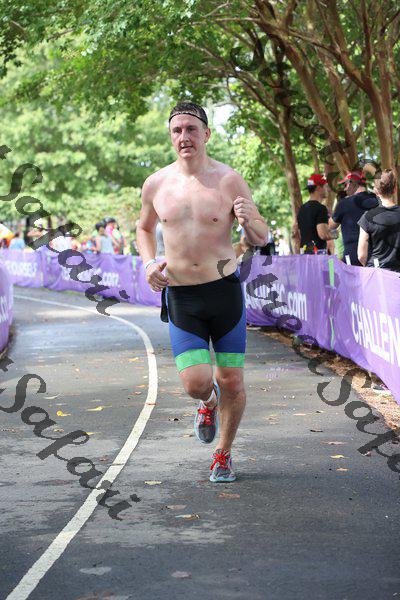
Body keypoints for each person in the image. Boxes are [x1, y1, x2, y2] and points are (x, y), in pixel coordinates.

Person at [136, 101, 269, 483]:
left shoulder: (229, 180)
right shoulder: (156, 184)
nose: (184, 137)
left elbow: (261, 236)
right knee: (196, 383)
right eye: (177, 130)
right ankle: (208, 403)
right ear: (170, 136)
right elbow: (144, 229)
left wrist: (248, 223)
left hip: (224, 292)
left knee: (232, 381)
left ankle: (223, 454)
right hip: (182, 296)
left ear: (206, 134)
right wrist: (149, 264)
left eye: (191, 129)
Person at [329, 170, 378, 265]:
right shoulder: (377, 200)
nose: (345, 189)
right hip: (376, 256)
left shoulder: (344, 203)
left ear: (352, 183)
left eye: (345, 185)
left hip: (352, 258)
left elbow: (331, 225)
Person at [358, 168, 400, 272]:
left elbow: (361, 255)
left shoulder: (367, 217)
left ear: (376, 191)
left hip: (377, 274)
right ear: (395, 188)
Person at [296, 174, 335, 253]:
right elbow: (323, 234)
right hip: (317, 253)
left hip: (304, 252)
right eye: (325, 186)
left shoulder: (301, 209)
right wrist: (336, 234)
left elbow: (301, 234)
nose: (328, 189)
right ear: (318, 188)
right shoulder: (321, 208)